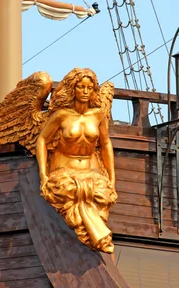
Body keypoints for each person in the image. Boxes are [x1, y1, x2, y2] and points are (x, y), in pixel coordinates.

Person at [35, 68, 117, 253]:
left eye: (90, 87)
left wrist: (112, 177)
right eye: (81, 87)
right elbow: (42, 140)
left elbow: (105, 144)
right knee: (71, 191)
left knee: (102, 194)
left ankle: (96, 235)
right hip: (64, 170)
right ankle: (98, 237)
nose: (86, 92)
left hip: (92, 169)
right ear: (73, 89)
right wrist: (43, 175)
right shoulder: (62, 116)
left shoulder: (97, 116)